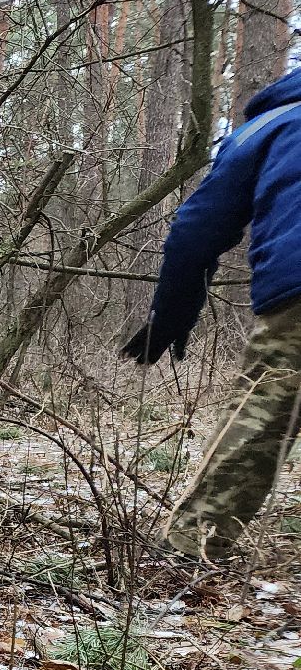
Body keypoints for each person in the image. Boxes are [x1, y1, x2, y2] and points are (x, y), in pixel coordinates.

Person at [120, 68, 301, 560]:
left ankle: (189, 550)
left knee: (261, 417)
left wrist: (172, 312)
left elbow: (196, 231)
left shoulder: (264, 126)